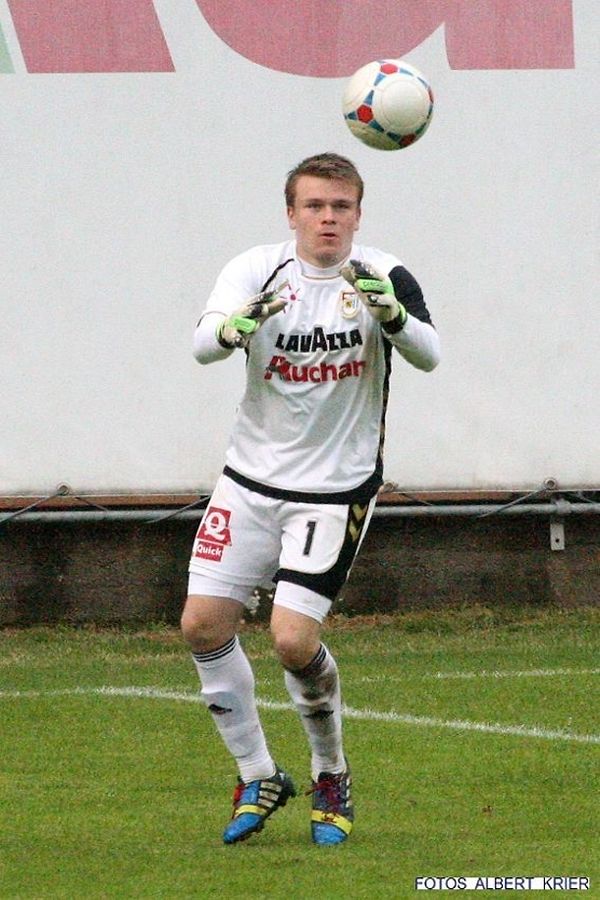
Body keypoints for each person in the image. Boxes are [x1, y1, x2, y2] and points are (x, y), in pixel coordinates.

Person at [181, 152, 440, 846]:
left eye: (341, 207)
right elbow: (204, 343)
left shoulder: (384, 274)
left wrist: (392, 317)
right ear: (291, 213)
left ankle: (331, 773)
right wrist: (233, 329)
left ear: (358, 213)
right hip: (248, 480)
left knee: (293, 640)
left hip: (335, 489)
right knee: (202, 625)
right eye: (315, 206)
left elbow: (430, 352)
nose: (328, 218)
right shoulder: (255, 269)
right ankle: (259, 774)